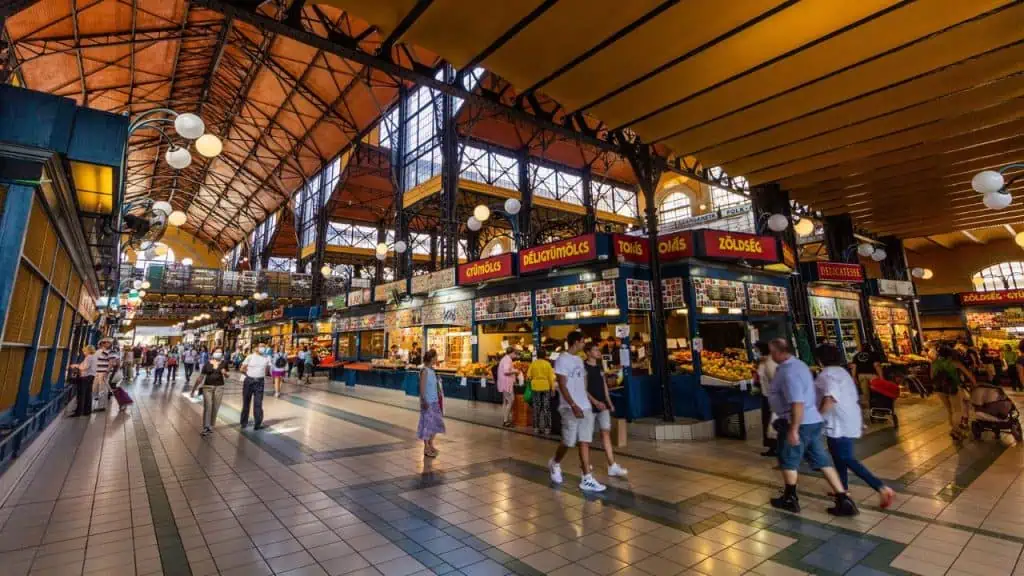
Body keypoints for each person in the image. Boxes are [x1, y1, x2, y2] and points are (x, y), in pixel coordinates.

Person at [767, 338, 857, 516]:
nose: (771, 355)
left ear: (779, 352)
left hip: (799, 422)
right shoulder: (799, 365)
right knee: (822, 460)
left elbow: (797, 402)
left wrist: (793, 428)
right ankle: (843, 498)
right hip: (812, 421)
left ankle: (790, 498)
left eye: (772, 351)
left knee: (789, 460)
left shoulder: (790, 372)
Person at [815, 343, 895, 509]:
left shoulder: (827, 375)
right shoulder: (841, 372)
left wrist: (817, 417)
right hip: (847, 419)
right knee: (838, 457)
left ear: (820, 359)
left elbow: (830, 398)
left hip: (839, 423)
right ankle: (842, 489)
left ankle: (881, 487)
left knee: (845, 458)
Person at [548, 331, 606, 493]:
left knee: (585, 441)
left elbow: (583, 381)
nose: (584, 345)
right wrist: (573, 404)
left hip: (585, 406)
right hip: (569, 407)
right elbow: (562, 384)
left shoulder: (579, 360)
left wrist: (590, 401)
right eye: (582, 342)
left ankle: (587, 478)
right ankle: (555, 462)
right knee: (568, 441)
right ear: (575, 342)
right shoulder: (562, 360)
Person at [584, 342, 628, 478]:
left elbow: (604, 386)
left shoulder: (599, 367)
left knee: (606, 433)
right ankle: (586, 465)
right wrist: (595, 402)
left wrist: (609, 402)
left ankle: (612, 465)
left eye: (598, 350)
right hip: (590, 406)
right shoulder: (583, 367)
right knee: (587, 437)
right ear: (588, 352)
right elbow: (583, 389)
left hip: (603, 405)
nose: (598, 352)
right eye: (595, 350)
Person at [931, 346, 975, 440]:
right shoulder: (955, 363)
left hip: (939, 389)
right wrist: (975, 384)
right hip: (953, 388)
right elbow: (969, 375)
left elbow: (932, 376)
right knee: (957, 410)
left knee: (949, 410)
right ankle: (955, 431)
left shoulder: (934, 363)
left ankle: (955, 430)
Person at [192, 348, 229, 436]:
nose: (219, 354)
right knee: (208, 406)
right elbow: (200, 377)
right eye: (217, 352)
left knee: (216, 406)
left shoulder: (224, 363)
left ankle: (211, 425)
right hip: (207, 387)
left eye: (220, 352)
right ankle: (206, 426)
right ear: (213, 353)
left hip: (219, 387)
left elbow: (227, 375)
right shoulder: (207, 364)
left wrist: (225, 373)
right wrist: (194, 389)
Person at [417, 349, 444, 457]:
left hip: (435, 401)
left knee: (436, 424)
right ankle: (426, 448)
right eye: (436, 357)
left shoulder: (432, 370)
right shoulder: (424, 371)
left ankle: (431, 444)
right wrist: (423, 400)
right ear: (432, 358)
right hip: (428, 402)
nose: (437, 358)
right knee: (427, 426)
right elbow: (422, 387)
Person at [756, 340, 779, 457]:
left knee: (771, 421)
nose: (756, 352)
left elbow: (773, 380)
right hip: (767, 395)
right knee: (768, 421)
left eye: (757, 350)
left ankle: (775, 447)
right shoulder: (765, 361)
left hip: (771, 397)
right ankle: (772, 447)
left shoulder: (770, 362)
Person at [239, 346, 271, 430]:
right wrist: (249, 375)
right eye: (260, 346)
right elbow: (242, 369)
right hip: (249, 381)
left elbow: (267, 370)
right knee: (246, 402)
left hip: (260, 382)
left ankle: (258, 423)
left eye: (264, 347)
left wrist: (260, 375)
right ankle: (243, 422)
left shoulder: (267, 358)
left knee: (258, 403)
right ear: (256, 348)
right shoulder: (250, 357)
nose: (262, 348)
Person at [527, 349, 555, 435]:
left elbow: (528, 376)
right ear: (545, 355)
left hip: (535, 387)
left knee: (536, 407)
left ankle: (536, 428)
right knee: (546, 408)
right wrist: (553, 389)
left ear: (537, 355)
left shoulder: (533, 364)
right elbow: (551, 378)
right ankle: (547, 428)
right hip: (545, 387)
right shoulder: (547, 364)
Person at [71, 345, 98, 417]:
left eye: (85, 351)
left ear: (88, 351)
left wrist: (75, 366)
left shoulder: (89, 357)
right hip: (91, 376)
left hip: (85, 377)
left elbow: (84, 367)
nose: (84, 352)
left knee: (81, 395)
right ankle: (87, 411)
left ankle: (79, 412)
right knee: (88, 394)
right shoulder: (94, 357)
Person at [497, 348, 517, 427]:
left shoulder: (505, 359)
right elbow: (506, 371)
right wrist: (515, 371)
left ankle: (506, 419)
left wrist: (513, 370)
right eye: (515, 353)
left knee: (505, 402)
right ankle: (506, 421)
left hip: (504, 383)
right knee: (511, 400)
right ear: (511, 353)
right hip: (506, 383)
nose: (515, 355)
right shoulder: (507, 360)